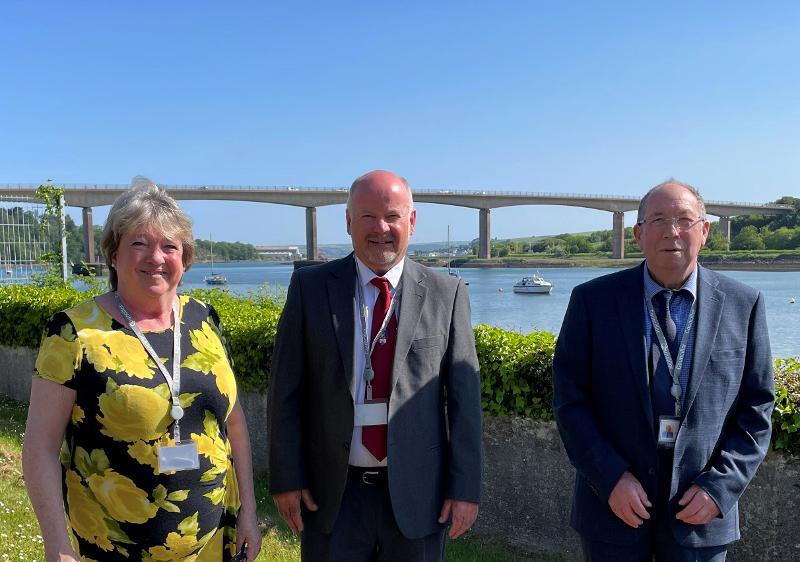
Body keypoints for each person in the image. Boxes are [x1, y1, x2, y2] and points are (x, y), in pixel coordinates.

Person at [22, 178, 262, 561]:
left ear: (185, 258)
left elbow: (233, 423)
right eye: (139, 243)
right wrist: (56, 544)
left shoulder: (204, 319)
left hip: (215, 542)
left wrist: (248, 508)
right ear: (113, 254)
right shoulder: (74, 333)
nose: (156, 257)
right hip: (112, 549)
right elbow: (40, 446)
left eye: (170, 246)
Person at [553, 179, 774, 561]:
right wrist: (610, 478)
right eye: (658, 220)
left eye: (684, 220)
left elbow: (758, 408)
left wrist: (719, 488)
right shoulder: (592, 301)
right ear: (638, 234)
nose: (672, 231)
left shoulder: (744, 304)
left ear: (705, 231)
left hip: (700, 514)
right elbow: (570, 401)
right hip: (613, 509)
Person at [267, 169, 482, 561]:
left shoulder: (447, 293)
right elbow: (285, 392)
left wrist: (465, 488)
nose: (380, 228)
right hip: (332, 495)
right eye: (367, 216)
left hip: (420, 495)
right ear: (349, 221)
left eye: (392, 217)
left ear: (411, 222)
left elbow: (465, 402)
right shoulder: (309, 288)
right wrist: (286, 478)